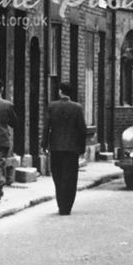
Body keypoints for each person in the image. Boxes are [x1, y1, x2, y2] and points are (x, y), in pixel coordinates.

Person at [43, 82, 90, 216]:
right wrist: (81, 148)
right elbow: (82, 130)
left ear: (60, 92)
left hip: (56, 148)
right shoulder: (77, 108)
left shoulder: (52, 106)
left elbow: (47, 127)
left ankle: (60, 204)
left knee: (57, 176)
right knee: (70, 178)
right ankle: (67, 206)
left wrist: (44, 145)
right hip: (72, 149)